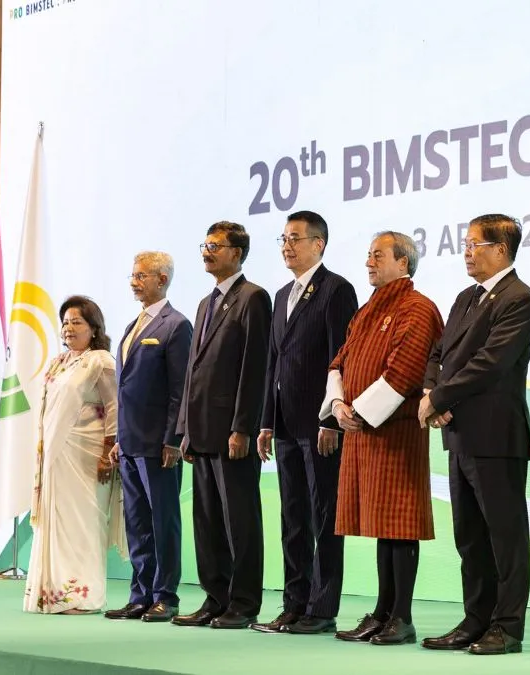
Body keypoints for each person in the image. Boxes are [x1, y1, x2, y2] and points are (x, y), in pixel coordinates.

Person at [419, 214, 530, 655]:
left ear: (501, 250)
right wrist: (431, 391)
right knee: (469, 536)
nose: (466, 252)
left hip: (496, 435)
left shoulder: (518, 298)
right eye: (466, 244)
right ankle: (476, 619)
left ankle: (507, 627)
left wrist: (439, 398)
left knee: (505, 537)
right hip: (460, 433)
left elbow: (490, 362)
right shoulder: (465, 297)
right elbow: (439, 352)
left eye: (474, 245)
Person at [321, 231, 443, 647]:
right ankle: (382, 611)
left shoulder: (418, 308)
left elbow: (405, 371)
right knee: (380, 525)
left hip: (396, 431)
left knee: (399, 524)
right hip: (363, 430)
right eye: (368, 255)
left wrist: (360, 412)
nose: (369, 262)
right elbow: (339, 362)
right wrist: (339, 406)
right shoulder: (368, 309)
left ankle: (401, 617)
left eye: (378, 255)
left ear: (403, 263)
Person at [252, 211, 358, 635]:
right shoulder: (282, 295)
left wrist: (331, 417)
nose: (287, 246)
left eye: (295, 238)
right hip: (285, 425)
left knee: (324, 517)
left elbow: (341, 359)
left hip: (320, 426)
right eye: (283, 238)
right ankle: (293, 604)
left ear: (319, 244)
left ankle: (321, 608)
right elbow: (272, 363)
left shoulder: (336, 290)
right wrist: (265, 421)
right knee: (293, 518)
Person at [174, 221, 273, 630]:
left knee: (240, 521)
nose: (207, 252)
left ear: (237, 252)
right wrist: (184, 428)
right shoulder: (204, 303)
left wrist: (243, 428)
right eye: (205, 245)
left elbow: (255, 368)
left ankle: (244, 603)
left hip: (232, 432)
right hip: (201, 430)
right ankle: (215, 598)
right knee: (208, 521)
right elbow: (193, 371)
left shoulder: (254, 298)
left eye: (215, 246)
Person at [103, 252, 193, 623]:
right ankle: (140, 595)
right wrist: (119, 438)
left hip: (159, 445)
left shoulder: (177, 325)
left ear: (161, 279)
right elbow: (126, 389)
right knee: (137, 522)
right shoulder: (132, 325)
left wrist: (173, 439)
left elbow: (180, 389)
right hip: (130, 443)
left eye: (141, 276)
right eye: (133, 275)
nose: (134, 282)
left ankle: (165, 596)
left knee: (163, 521)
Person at [24, 295, 120, 615]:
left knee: (83, 524)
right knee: (58, 523)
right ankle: (52, 595)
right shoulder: (58, 362)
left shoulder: (101, 361)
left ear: (94, 328)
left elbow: (115, 408)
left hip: (87, 457)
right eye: (65, 322)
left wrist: (107, 454)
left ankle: (83, 596)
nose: (68, 328)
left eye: (76, 322)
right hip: (56, 457)